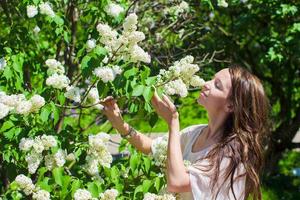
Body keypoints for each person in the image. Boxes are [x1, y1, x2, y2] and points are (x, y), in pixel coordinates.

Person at [100, 65, 270, 200]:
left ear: (231, 106)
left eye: (217, 85)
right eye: (212, 79)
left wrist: (173, 122)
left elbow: (177, 182)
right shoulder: (195, 132)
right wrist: (120, 123)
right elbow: (152, 147)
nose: (206, 84)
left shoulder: (233, 152)